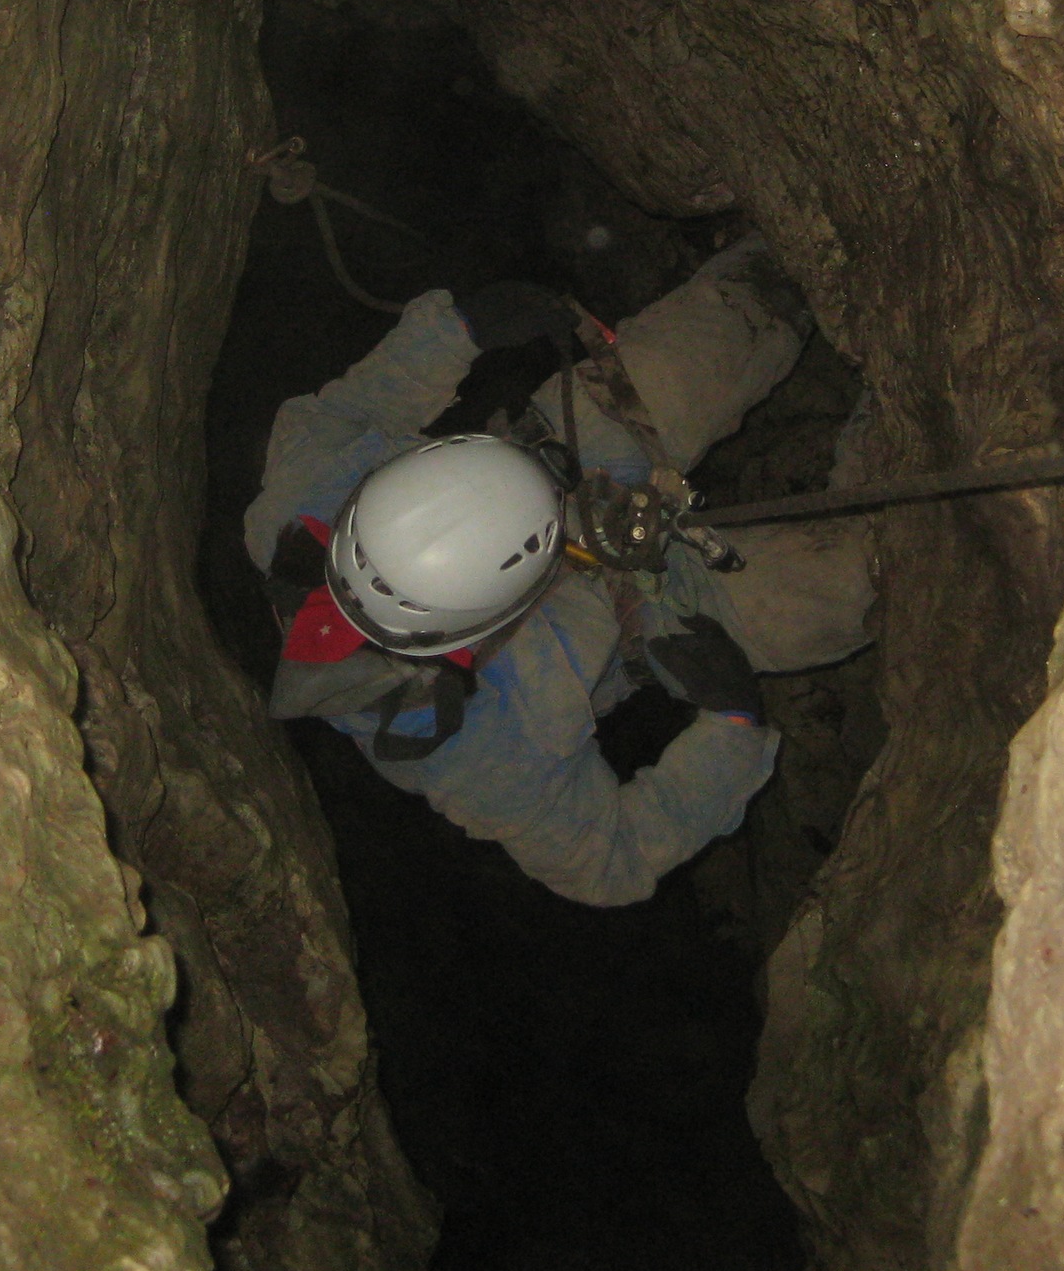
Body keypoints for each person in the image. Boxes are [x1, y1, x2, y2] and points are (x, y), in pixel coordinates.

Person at [243, 237, 876, 906]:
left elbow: (347, 414)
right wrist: (730, 726)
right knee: (871, 579)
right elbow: (611, 863)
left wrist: (460, 331)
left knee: (743, 312)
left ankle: (825, 253)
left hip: (570, 452)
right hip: (664, 617)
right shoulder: (476, 759)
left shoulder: (294, 505)